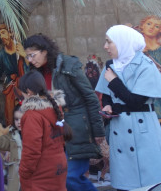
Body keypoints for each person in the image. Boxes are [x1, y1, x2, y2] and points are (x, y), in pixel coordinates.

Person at [23, 34, 105, 191]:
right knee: (60, 177)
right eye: (27, 56)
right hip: (53, 132)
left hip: (76, 128)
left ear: (45, 51)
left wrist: (98, 130)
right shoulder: (35, 72)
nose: (30, 60)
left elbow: (91, 98)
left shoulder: (68, 64)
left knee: (71, 176)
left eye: (32, 55)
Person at [95, 25, 161, 191]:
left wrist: (114, 81)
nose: (105, 46)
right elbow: (106, 93)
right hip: (120, 130)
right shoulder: (110, 65)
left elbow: (136, 101)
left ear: (123, 43)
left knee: (149, 183)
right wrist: (108, 105)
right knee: (124, 184)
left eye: (109, 42)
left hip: (143, 130)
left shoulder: (145, 65)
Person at [18, 69, 71, 191]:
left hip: (41, 172)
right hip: (59, 166)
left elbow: (32, 150)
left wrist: (24, 173)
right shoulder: (55, 108)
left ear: (28, 91)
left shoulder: (32, 115)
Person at [0, 23, 29, 126]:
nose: (2, 37)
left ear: (10, 33)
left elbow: (31, 69)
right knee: (10, 115)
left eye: (3, 33)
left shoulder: (21, 48)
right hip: (10, 87)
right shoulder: (1, 54)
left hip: (24, 85)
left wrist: (24, 57)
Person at [0, 104, 24, 191]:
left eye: (21, 119)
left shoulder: (32, 135)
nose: (19, 122)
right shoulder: (13, 134)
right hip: (15, 177)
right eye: (16, 119)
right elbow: (3, 143)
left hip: (29, 177)